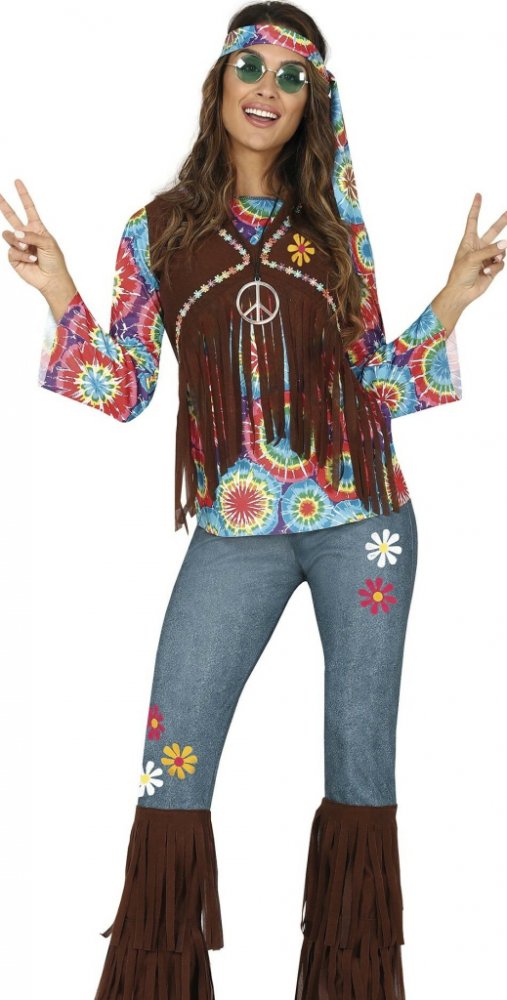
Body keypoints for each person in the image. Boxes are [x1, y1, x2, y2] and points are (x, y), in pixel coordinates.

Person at [3, 3, 506, 998]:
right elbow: (127, 388)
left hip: (364, 520)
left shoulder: (334, 231)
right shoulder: (156, 230)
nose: (267, 88)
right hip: (235, 530)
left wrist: (454, 297)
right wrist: (58, 291)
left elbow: (374, 384)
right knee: (172, 760)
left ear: (313, 101)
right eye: (252, 67)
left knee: (360, 760)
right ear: (220, 83)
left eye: (291, 76)